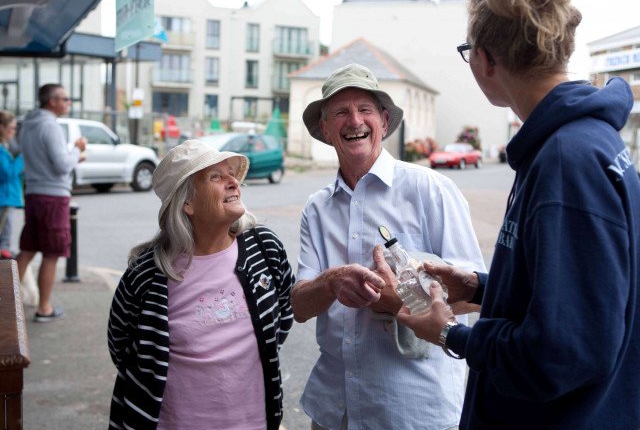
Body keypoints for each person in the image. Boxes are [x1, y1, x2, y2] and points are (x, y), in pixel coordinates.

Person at [397, 0, 640, 429]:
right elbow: (579, 300)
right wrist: (481, 287)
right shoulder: (583, 142)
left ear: (486, 60)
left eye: (469, 53)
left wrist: (449, 332)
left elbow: (564, 351)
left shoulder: (568, 162)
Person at [291, 63, 486, 430]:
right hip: (335, 410)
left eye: (364, 109)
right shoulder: (317, 208)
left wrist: (403, 300)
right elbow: (300, 306)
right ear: (325, 128)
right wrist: (332, 282)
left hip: (411, 410)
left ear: (382, 120)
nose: (354, 120)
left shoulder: (430, 189)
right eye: (340, 112)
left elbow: (475, 295)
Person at [107, 139, 294, 430]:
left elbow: (283, 313)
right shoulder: (147, 274)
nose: (233, 182)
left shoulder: (264, 248)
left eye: (231, 173)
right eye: (216, 177)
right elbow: (122, 346)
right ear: (187, 203)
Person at [16, 84, 86, 322]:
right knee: (52, 253)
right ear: (52, 101)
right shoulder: (51, 126)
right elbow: (63, 165)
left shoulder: (27, 125)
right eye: (65, 98)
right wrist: (77, 151)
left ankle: (7, 300)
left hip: (34, 194)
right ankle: (44, 308)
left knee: (27, 249)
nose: (68, 102)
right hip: (54, 197)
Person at [0, 110, 23, 259]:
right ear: (2, 127)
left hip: (6, 198)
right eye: (12, 128)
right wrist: (22, 159)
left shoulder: (6, 147)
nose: (14, 131)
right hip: (4, 198)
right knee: (4, 237)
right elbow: (7, 174)